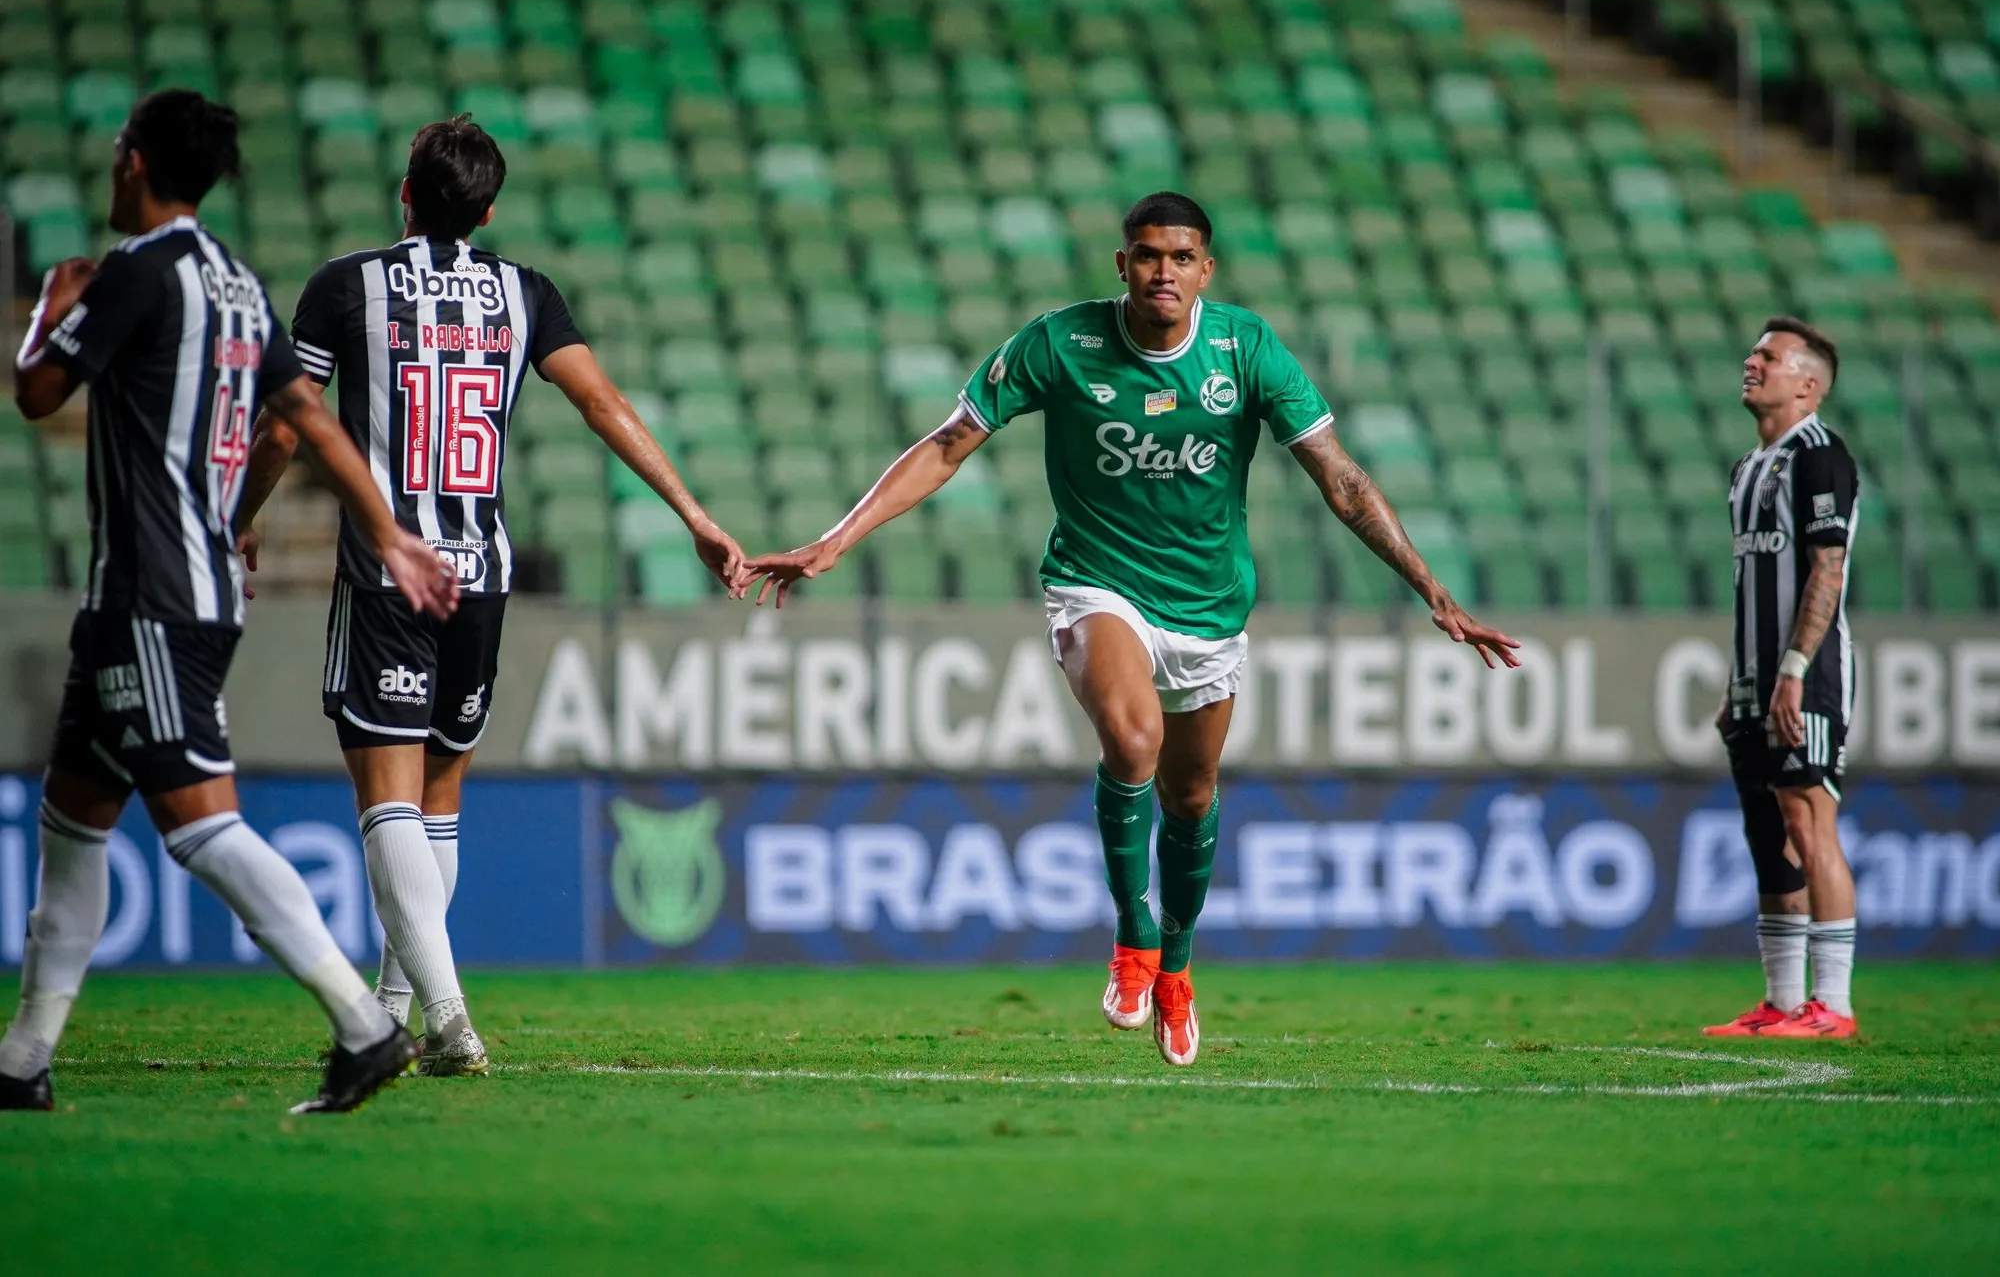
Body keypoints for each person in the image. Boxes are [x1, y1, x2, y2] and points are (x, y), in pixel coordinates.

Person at [743, 192, 1520, 1065]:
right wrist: (835, 541)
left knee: (1191, 799)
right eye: (1147, 255)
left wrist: (1432, 589)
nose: (1163, 272)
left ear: (1205, 270)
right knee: (1132, 737)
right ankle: (1133, 935)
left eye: (1181, 258)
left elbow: (1338, 476)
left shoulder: (1246, 348)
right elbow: (949, 443)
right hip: (1096, 586)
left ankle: (1178, 969)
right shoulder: (1058, 343)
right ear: (1123, 265)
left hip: (1210, 609)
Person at [233, 114, 747, 1077]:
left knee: (384, 794)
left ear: (404, 192)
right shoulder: (524, 293)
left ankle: (451, 1018)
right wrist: (693, 513)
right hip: (484, 575)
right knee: (440, 792)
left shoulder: (346, 286)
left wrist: (242, 514)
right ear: (490, 207)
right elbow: (604, 404)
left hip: (391, 572)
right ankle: (396, 1007)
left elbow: (287, 425)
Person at [0, 89, 460, 1113]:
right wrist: (391, 534)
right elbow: (301, 414)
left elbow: (36, 394)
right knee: (74, 821)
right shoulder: (244, 287)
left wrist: (47, 305)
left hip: (150, 596)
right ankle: (23, 1057)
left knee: (200, 824)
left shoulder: (131, 275)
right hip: (185, 591)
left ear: (133, 163)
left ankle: (363, 1022)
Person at [1704, 318, 1860, 1039]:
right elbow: (1751, 586)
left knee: (1808, 817)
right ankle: (1781, 1000)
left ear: (1808, 384)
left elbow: (1825, 571)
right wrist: (1741, 683)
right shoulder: (1748, 468)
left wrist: (1795, 670)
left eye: (1768, 356)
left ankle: (1833, 1005)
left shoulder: (1822, 458)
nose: (1750, 361)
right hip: (1755, 681)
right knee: (1768, 834)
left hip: (1810, 672)